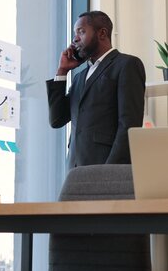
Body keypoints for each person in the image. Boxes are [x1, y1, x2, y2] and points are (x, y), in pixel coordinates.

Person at [46, 10, 145, 169]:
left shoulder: (126, 65)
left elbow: (129, 125)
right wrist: (62, 72)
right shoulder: (79, 77)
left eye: (81, 31)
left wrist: (109, 171)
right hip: (74, 170)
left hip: (105, 168)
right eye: (75, 33)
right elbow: (57, 120)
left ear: (102, 33)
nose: (75, 38)